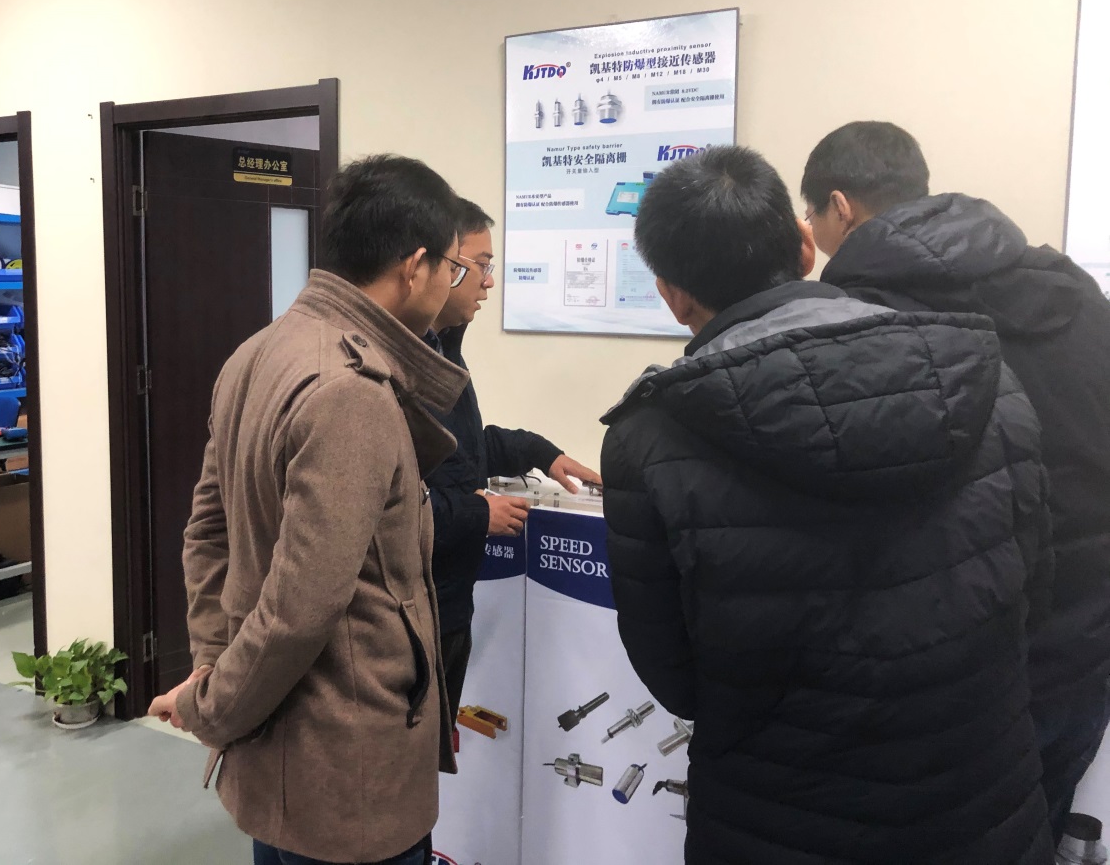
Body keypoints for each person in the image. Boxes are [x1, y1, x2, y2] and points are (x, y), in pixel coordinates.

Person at [601, 145, 1053, 863]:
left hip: (776, 819)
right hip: (982, 802)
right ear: (805, 247)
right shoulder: (982, 375)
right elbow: (1032, 581)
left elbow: (675, 677)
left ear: (671, 293)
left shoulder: (650, 438)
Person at [146, 154, 472, 865]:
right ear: (414, 266)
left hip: (278, 745)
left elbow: (207, 534)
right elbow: (301, 606)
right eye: (454, 267)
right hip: (343, 762)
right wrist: (211, 703)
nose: (454, 284)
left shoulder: (257, 351)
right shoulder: (350, 391)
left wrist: (213, 666)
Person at [803, 120, 1110, 840]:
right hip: (1084, 635)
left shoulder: (857, 319)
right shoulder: (1071, 289)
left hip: (948, 662)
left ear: (839, 207)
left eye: (810, 215)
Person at [424, 198, 601, 717]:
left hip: (450, 600)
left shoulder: (444, 348)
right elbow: (390, 502)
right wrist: (477, 513)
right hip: (421, 607)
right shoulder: (405, 361)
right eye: (480, 265)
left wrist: (541, 453)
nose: (488, 282)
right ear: (441, 265)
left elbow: (460, 448)